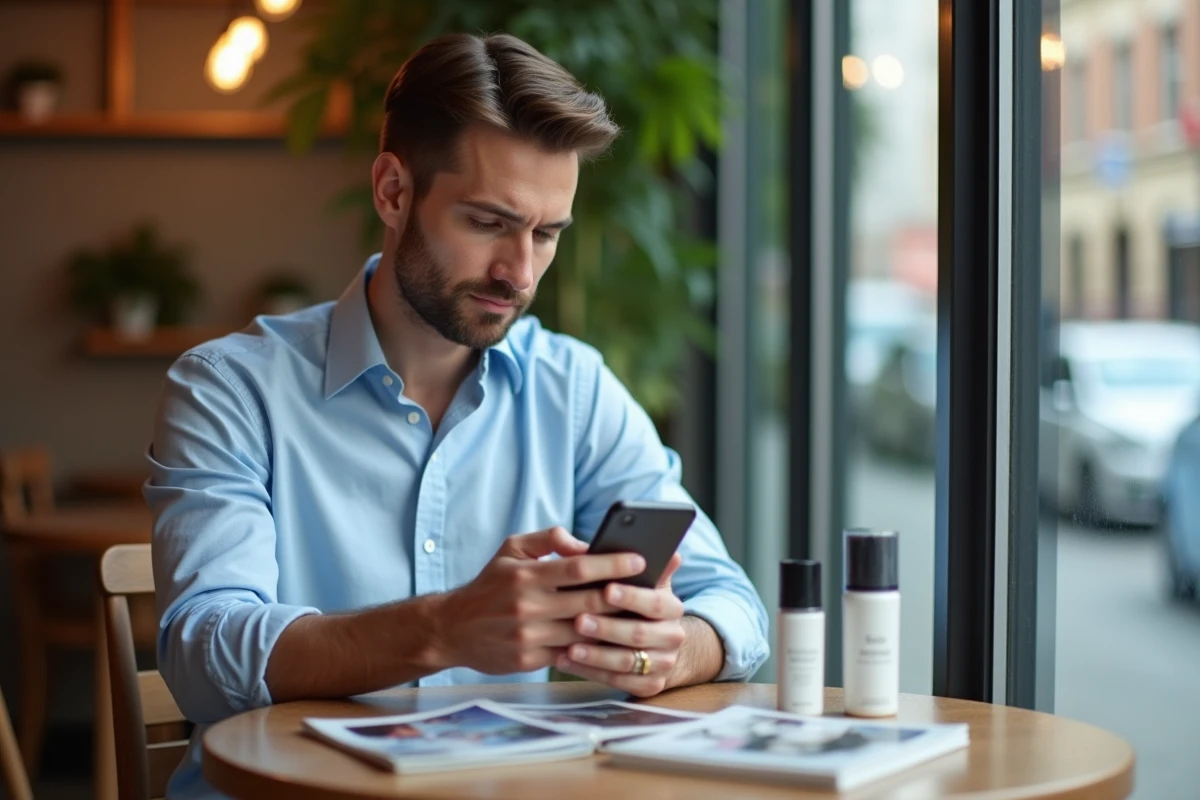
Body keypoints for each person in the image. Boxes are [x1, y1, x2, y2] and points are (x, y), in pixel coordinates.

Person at [146, 31, 768, 798]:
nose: (520, 271)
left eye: (546, 234)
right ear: (393, 191)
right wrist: (444, 628)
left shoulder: (573, 388)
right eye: (488, 223)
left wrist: (666, 651)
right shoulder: (229, 390)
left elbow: (731, 605)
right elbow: (206, 656)